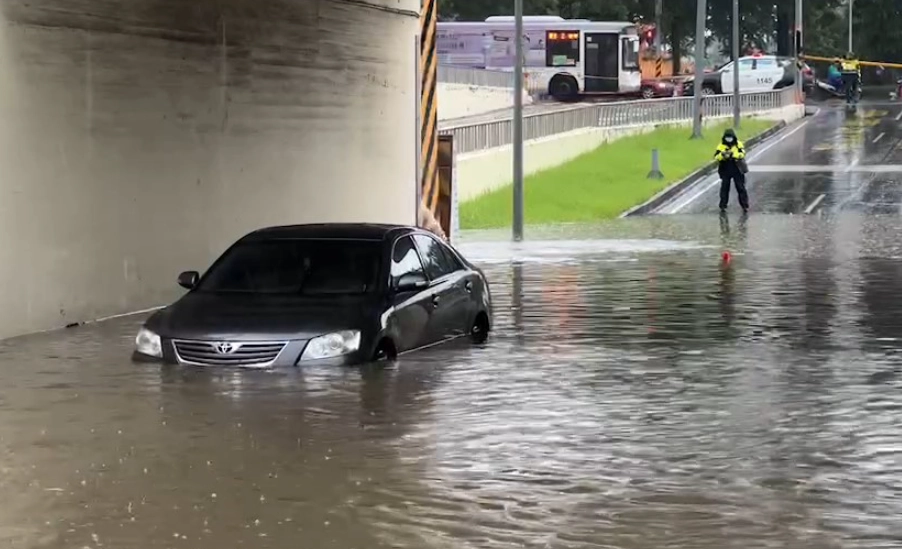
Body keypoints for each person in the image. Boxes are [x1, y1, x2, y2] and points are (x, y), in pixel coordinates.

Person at [714, 128, 748, 213]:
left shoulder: (738, 144)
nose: (729, 139)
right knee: (724, 188)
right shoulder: (721, 146)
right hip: (725, 168)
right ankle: (723, 205)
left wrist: (734, 155)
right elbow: (716, 156)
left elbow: (743, 153)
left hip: (737, 168)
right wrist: (723, 155)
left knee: (740, 187)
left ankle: (744, 205)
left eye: (730, 137)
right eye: (727, 137)